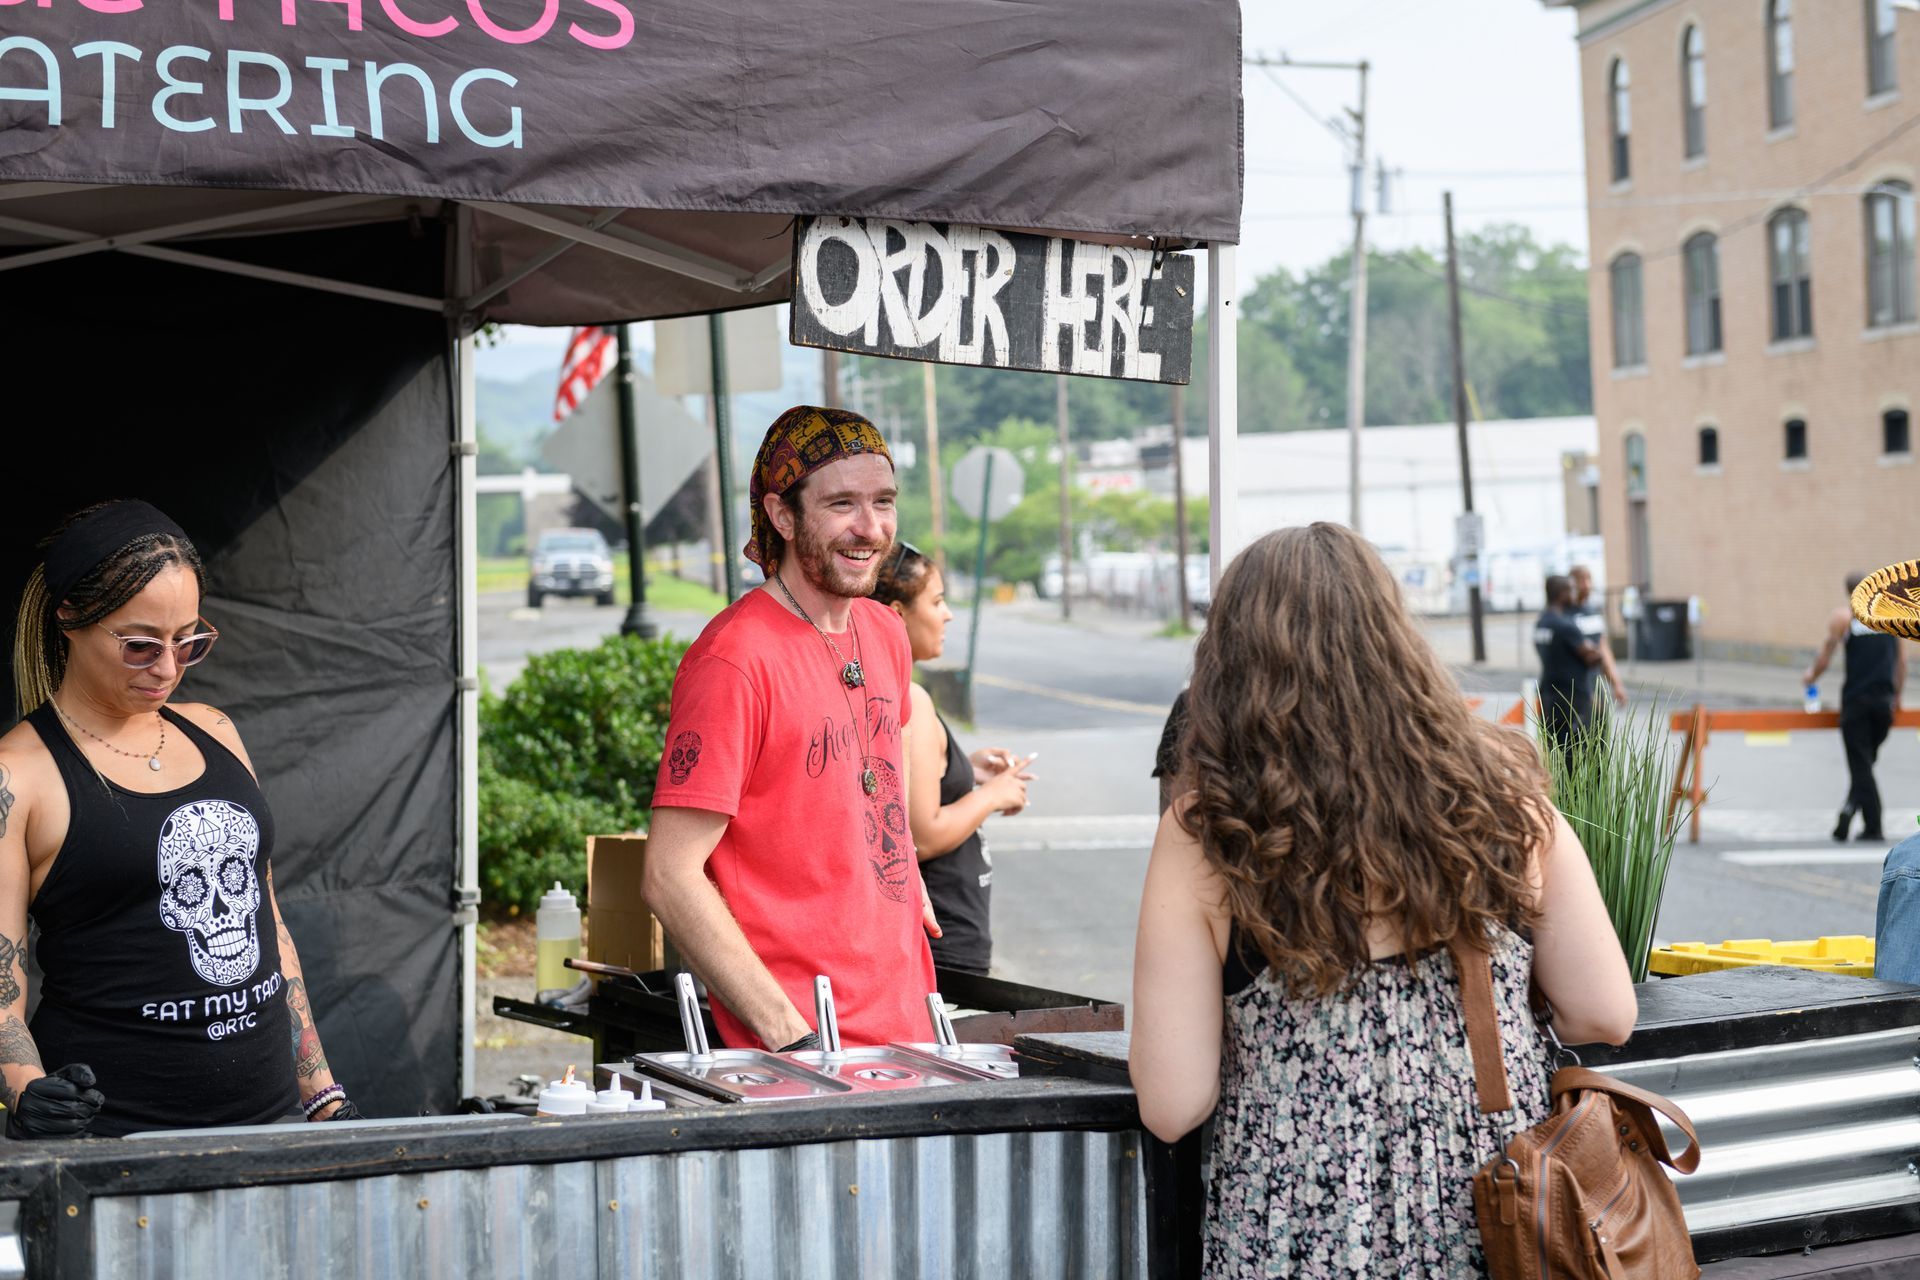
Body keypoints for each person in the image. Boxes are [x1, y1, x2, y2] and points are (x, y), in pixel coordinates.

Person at [1129, 523, 1636, 1279]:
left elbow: (1172, 1102)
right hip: (1494, 1214)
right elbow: (1605, 1012)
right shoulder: (1507, 803)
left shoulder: (1208, 833)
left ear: (1231, 662)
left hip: (1294, 1226)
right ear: (1397, 639)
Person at [0, 501, 358, 1138]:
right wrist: (29, 1091)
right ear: (69, 621)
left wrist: (320, 1094)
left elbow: (267, 924)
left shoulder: (215, 730)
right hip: (111, 1141)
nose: (166, 668)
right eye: (140, 645)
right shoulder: (18, 775)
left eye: (188, 640)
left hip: (271, 1120)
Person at [642, 407, 938, 1051]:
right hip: (801, 1055)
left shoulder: (886, 632)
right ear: (782, 515)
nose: (871, 528)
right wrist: (789, 1035)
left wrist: (905, 874)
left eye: (884, 502)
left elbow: (882, 780)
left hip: (909, 1031)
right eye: (842, 504)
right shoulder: (733, 659)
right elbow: (669, 874)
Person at [870, 543, 1032, 976]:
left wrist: (966, 767)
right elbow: (922, 835)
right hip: (943, 941)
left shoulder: (885, 690)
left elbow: (911, 784)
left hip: (944, 936)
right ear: (897, 614)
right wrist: (992, 796)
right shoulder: (911, 699)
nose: (948, 615)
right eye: (937, 602)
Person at [1804, 572, 1907, 842]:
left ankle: (1874, 826)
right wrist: (1898, 697)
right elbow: (1901, 663)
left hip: (1857, 704)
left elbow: (1826, 655)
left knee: (1861, 766)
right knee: (1864, 764)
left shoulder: (1845, 618)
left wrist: (1810, 678)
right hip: (1884, 705)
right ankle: (1848, 810)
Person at [1534, 573, 1605, 757]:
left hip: (1548, 696)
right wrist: (1595, 652)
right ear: (1561, 594)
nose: (1575, 594)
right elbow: (1592, 656)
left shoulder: (1542, 622)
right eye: (1571, 590)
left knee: (1553, 753)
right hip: (1572, 700)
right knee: (1574, 756)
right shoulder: (1565, 626)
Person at [1569, 564, 1628, 710]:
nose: (1587, 585)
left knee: (1601, 726)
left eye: (1589, 579)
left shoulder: (1593, 612)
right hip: (1574, 687)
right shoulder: (1566, 615)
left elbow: (1604, 650)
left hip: (1594, 682)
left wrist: (1616, 684)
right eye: (1582, 580)